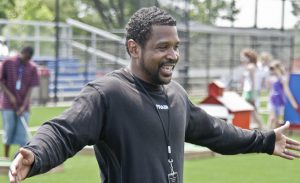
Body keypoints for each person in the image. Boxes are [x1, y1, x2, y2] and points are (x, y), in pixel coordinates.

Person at [9, 7, 300, 183]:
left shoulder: (176, 95)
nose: (173, 55)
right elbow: (62, 131)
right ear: (134, 48)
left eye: (176, 46)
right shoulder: (108, 93)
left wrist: (264, 140)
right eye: (162, 47)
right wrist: (36, 154)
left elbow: (217, 132)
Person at [0, 46, 40, 158]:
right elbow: (1, 81)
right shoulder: (8, 62)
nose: (26, 60)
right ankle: (6, 156)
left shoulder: (32, 67)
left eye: (29, 58)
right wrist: (10, 95)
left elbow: (31, 88)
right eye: (25, 57)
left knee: (22, 133)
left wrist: (24, 105)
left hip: (24, 104)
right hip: (8, 103)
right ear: (21, 53)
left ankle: (21, 158)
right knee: (9, 129)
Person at [266, 60, 300, 129]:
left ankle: (275, 133)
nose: (273, 70)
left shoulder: (284, 77)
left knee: (277, 120)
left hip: (280, 101)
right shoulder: (272, 77)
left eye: (274, 68)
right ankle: (267, 132)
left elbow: (284, 83)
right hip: (272, 100)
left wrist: (279, 73)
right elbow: (268, 86)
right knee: (272, 117)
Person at [240, 48, 264, 129]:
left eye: (243, 57)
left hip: (250, 91)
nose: (241, 58)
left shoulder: (251, 67)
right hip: (247, 90)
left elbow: (253, 82)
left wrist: (253, 95)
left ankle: (263, 129)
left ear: (248, 57)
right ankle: (261, 128)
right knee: (253, 112)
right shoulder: (249, 66)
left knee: (251, 111)